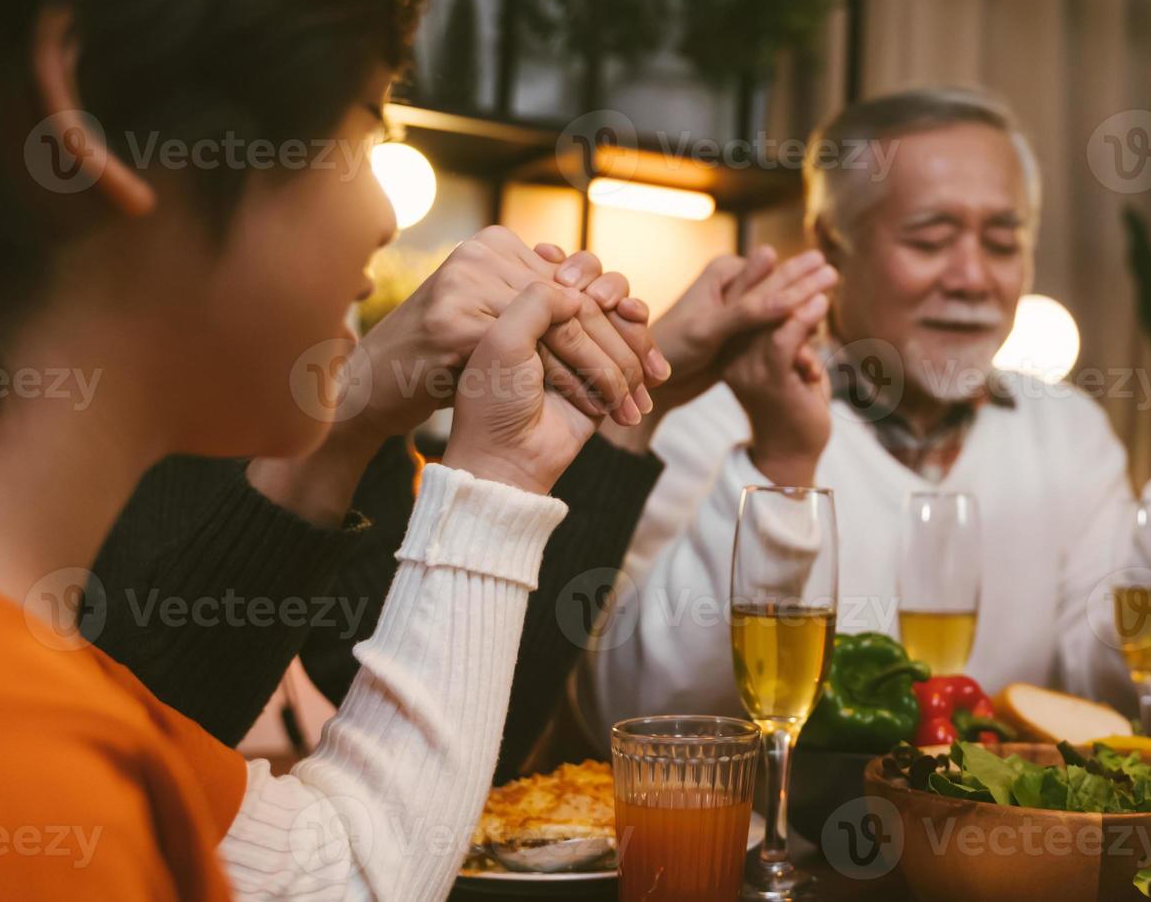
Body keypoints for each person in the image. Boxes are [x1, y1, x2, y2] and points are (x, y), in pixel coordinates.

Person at [0, 0, 646, 897]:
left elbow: (342, 868)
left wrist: (499, 474)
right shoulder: (0, 760)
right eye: (363, 126)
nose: (386, 221)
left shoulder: (42, 668)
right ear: (90, 110)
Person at [583, 87, 1151, 733]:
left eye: (1003, 243)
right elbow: (633, 708)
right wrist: (778, 462)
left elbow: (1116, 678)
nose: (973, 277)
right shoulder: (710, 415)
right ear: (831, 245)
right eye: (930, 239)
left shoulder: (1068, 434)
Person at [88, 234, 836, 779]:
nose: (382, 216)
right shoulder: (46, 382)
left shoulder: (319, 382)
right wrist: (350, 415)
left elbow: (477, 733)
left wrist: (638, 393)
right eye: (338, 131)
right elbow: (117, 769)